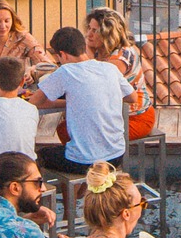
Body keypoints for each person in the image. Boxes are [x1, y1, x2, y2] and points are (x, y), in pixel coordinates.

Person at [33, 26, 134, 180]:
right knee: (72, 144)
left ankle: (59, 202)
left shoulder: (66, 71)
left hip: (84, 162)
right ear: (84, 46)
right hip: (116, 155)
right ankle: (85, 192)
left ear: (62, 55)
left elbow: (34, 102)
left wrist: (69, 103)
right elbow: (132, 97)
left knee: (38, 156)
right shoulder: (109, 68)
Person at [85, 6, 157, 142]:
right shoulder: (99, 50)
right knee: (67, 128)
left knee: (84, 134)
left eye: (94, 31)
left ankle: (102, 162)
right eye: (89, 28)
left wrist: (87, 51)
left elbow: (98, 82)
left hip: (134, 117)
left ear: (108, 33)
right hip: (112, 116)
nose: (89, 34)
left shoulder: (122, 56)